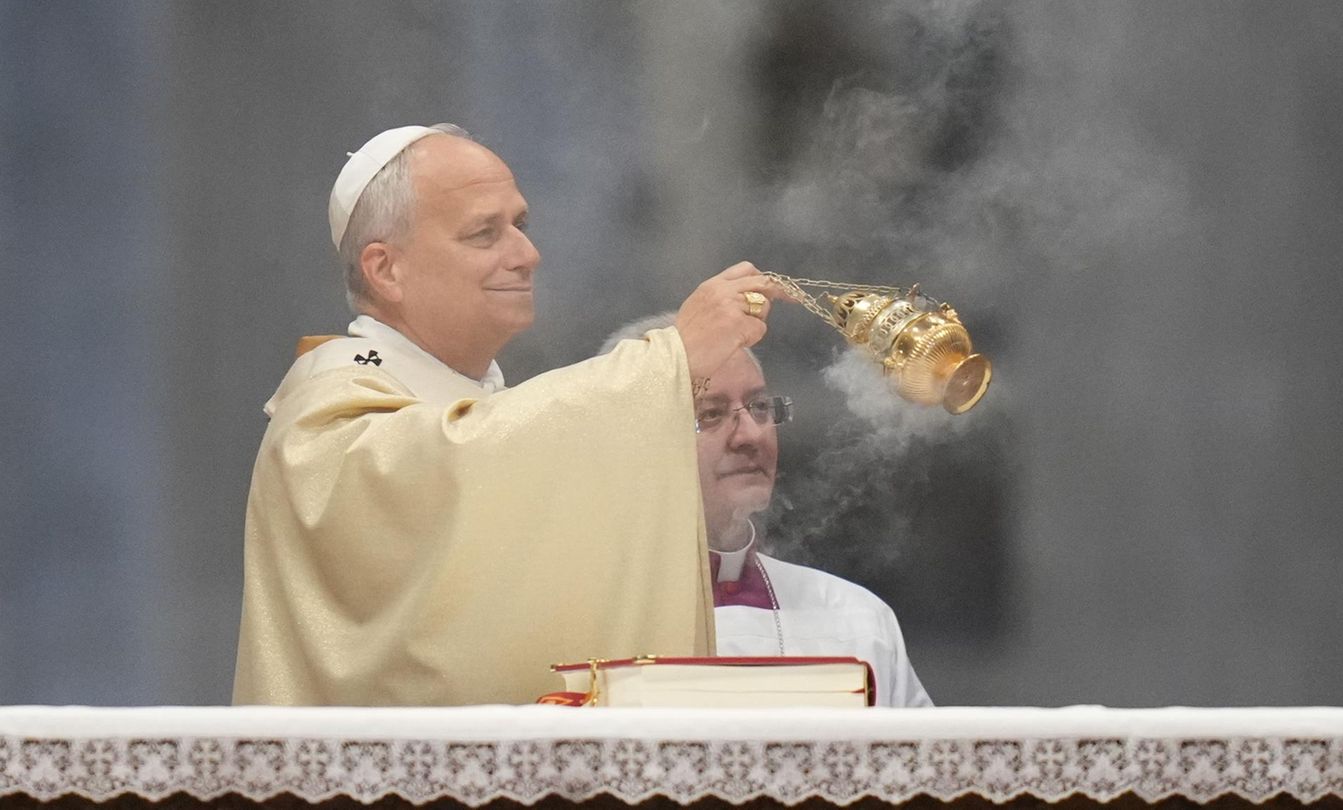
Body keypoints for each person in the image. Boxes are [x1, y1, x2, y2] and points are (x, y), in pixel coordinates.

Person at [233, 123, 783, 705]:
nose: (527, 255)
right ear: (385, 269)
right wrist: (668, 361)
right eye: (483, 234)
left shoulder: (494, 411)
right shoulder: (327, 416)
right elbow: (443, 469)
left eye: (519, 225)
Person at [601, 315, 933, 707]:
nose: (752, 435)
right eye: (710, 413)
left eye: (759, 407)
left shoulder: (855, 619)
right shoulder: (580, 617)